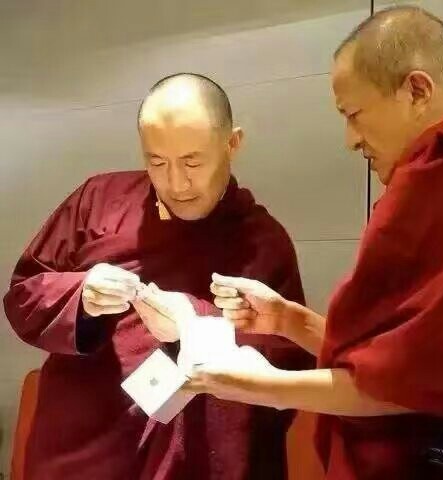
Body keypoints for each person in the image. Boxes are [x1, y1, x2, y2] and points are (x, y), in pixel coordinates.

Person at [182, 7, 443, 479]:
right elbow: (419, 362)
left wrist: (260, 386)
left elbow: (404, 389)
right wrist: (289, 320)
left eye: (354, 115)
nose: (350, 139)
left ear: (417, 90)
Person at [3, 73, 312, 480]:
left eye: (192, 162)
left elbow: (286, 371)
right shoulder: (99, 201)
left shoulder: (262, 243)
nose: (176, 183)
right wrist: (80, 296)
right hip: (86, 452)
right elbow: (24, 293)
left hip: (197, 462)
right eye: (157, 162)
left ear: (232, 143)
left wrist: (194, 324)